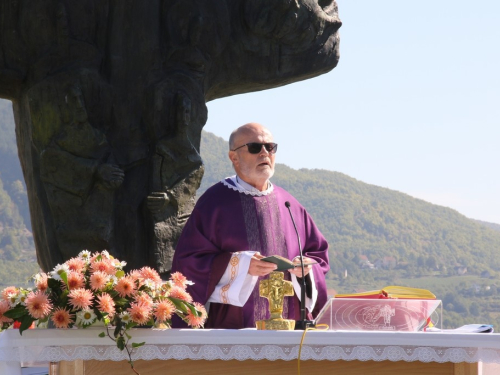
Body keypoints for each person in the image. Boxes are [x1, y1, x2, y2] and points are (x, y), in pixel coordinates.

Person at [171, 123, 329, 329]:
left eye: (270, 147)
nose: (265, 152)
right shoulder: (215, 202)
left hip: (290, 327)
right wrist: (240, 265)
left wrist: (305, 269)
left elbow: (318, 255)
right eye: (255, 147)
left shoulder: (290, 204)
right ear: (233, 157)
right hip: (234, 327)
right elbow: (189, 264)